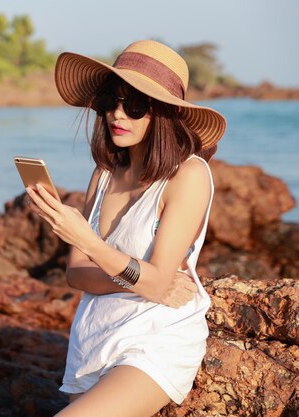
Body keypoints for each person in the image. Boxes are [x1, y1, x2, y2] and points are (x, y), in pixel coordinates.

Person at [25, 40, 226, 417]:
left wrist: (86, 239)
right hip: (94, 339)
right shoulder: (103, 174)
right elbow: (77, 274)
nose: (118, 115)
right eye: (109, 102)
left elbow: (156, 281)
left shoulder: (189, 175)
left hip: (154, 342)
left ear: (163, 113)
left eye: (134, 106)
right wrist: (138, 279)